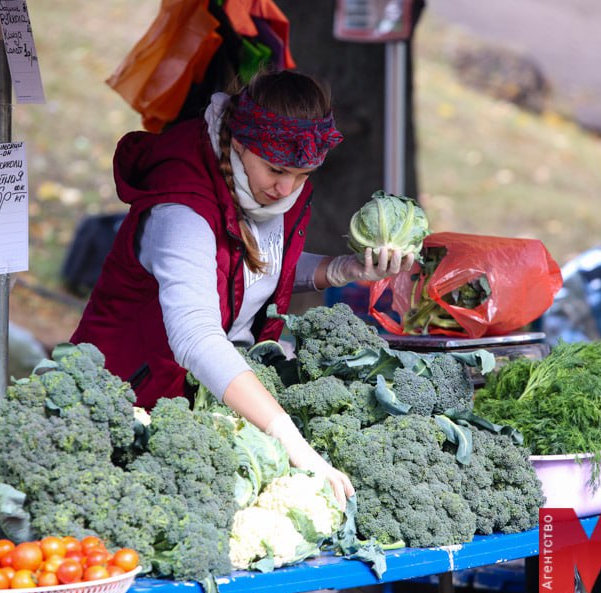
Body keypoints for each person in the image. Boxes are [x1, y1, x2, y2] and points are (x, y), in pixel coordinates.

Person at [70, 69, 415, 508]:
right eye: (277, 169)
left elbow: (253, 267)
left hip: (201, 401)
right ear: (238, 143)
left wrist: (342, 269)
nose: (286, 187)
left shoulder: (268, 188)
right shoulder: (181, 209)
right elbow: (195, 336)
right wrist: (293, 442)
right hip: (126, 403)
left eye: (303, 174)